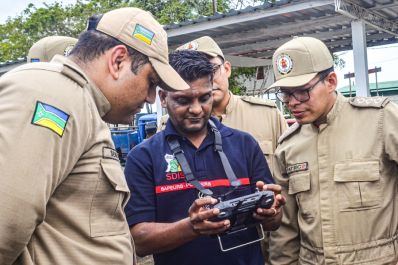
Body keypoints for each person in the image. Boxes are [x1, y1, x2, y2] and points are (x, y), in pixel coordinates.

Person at [0, 7, 188, 265]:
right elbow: (7, 220)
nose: (150, 98)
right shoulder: (53, 95)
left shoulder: (79, 102)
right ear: (118, 61)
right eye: (151, 81)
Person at [124, 49, 286, 265]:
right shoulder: (143, 157)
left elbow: (273, 223)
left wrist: (272, 211)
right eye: (183, 100)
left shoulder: (244, 144)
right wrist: (191, 227)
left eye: (204, 98)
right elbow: (139, 240)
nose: (196, 109)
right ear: (163, 98)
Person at [268, 36, 398, 264]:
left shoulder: (380, 120)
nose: (292, 102)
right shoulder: (288, 146)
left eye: (301, 91)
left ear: (331, 81)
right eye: (286, 94)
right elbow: (285, 230)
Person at [160, 36, 287, 176]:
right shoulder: (169, 124)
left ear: (227, 69)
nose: (207, 80)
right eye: (193, 74)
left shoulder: (266, 115)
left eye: (211, 70)